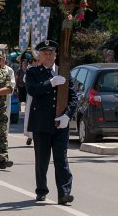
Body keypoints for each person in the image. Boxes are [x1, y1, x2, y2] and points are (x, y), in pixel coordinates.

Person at [25, 40, 77, 205]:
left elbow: (74, 97)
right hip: (41, 124)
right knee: (42, 159)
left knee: (61, 159)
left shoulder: (64, 72)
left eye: (51, 53)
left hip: (60, 124)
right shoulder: (33, 72)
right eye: (45, 53)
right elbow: (32, 90)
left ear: (56, 54)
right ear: (39, 56)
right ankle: (41, 190)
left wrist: (67, 115)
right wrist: (50, 83)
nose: (48, 56)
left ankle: (64, 193)